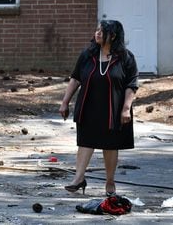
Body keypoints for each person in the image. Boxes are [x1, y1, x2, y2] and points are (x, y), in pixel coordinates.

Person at [59, 20, 139, 196]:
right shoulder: (88, 55)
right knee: (85, 141)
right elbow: (76, 78)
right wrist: (65, 102)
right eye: (97, 30)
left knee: (110, 144)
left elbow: (131, 85)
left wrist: (126, 108)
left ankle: (110, 182)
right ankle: (78, 179)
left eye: (102, 32)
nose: (97, 34)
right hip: (89, 106)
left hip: (113, 107)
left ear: (113, 35)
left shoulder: (125, 58)